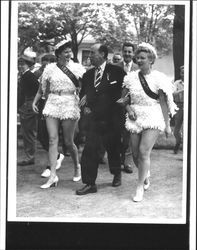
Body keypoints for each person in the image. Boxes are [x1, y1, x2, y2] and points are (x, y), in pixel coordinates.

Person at [118, 42, 177, 202]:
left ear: (151, 59)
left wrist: (166, 125)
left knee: (144, 152)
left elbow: (164, 103)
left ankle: (139, 186)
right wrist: (129, 110)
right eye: (138, 57)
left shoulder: (159, 78)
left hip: (153, 115)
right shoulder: (130, 77)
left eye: (142, 57)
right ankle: (145, 175)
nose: (139, 60)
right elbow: (123, 99)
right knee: (136, 154)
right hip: (135, 115)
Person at [34, 39, 86, 188]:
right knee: (52, 140)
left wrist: (84, 100)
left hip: (70, 102)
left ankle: (77, 166)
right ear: (58, 54)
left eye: (70, 51)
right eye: (65, 52)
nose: (69, 54)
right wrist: (35, 102)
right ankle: (52, 176)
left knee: (69, 142)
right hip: (52, 102)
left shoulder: (77, 68)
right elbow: (42, 89)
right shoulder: (49, 69)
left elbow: (84, 88)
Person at [76, 43, 126, 195]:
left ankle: (117, 173)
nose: (89, 56)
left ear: (103, 54)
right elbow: (83, 96)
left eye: (92, 53)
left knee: (113, 149)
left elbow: (123, 93)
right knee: (89, 151)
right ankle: (90, 183)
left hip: (112, 120)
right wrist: (85, 107)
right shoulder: (88, 75)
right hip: (95, 120)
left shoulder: (117, 72)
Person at [32, 54, 65, 178]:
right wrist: (35, 102)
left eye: (47, 63)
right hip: (43, 105)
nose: (45, 66)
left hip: (56, 105)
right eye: (43, 64)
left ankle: (50, 166)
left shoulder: (59, 74)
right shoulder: (43, 74)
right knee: (41, 134)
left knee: (51, 136)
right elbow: (40, 90)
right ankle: (57, 156)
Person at [116, 42, 138, 174]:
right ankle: (118, 158)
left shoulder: (138, 68)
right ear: (122, 52)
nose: (127, 54)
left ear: (133, 53)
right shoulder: (114, 67)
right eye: (125, 51)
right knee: (117, 133)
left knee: (129, 134)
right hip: (116, 105)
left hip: (133, 105)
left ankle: (127, 162)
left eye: (130, 51)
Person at [17, 55, 39, 165]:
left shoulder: (29, 76)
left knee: (29, 133)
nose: (20, 66)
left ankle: (30, 157)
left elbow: (38, 91)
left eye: (23, 64)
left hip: (28, 107)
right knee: (27, 133)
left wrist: (31, 103)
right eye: (19, 64)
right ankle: (30, 156)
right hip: (24, 106)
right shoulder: (23, 76)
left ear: (28, 65)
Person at [172, 65, 184, 154]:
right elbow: (173, 93)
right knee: (176, 129)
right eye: (182, 72)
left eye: (185, 72)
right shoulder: (176, 83)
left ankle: (185, 146)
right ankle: (178, 142)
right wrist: (183, 90)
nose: (184, 74)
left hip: (189, 106)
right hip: (179, 106)